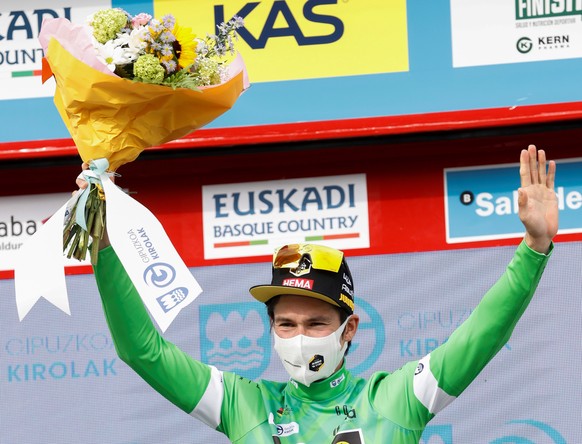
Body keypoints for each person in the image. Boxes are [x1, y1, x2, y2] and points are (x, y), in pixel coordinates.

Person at [89, 145, 557, 443]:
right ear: (271, 329)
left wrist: (534, 249)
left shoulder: (392, 400)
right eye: (286, 324)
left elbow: (482, 335)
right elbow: (141, 351)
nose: (299, 338)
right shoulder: (244, 404)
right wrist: (104, 247)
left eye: (316, 324)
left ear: (349, 328)